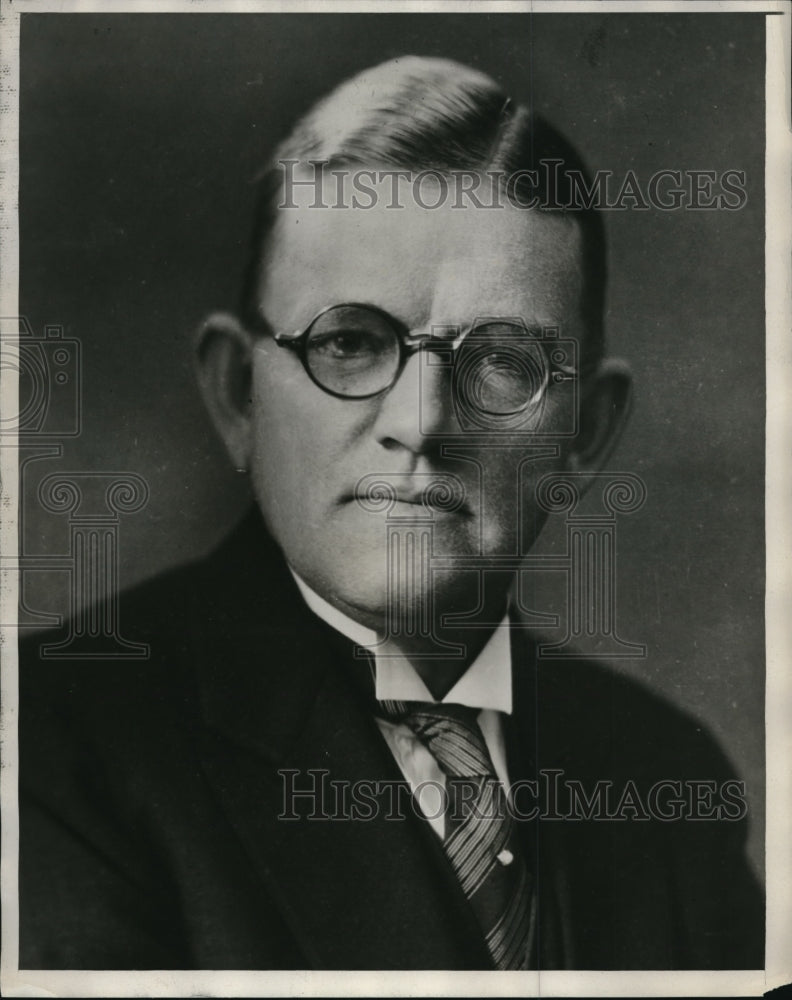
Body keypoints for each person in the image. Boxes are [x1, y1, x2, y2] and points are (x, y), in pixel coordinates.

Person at [19, 56, 763, 971]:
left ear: (586, 433)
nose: (420, 424)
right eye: (350, 343)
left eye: (501, 361)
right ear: (237, 394)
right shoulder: (55, 747)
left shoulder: (665, 777)